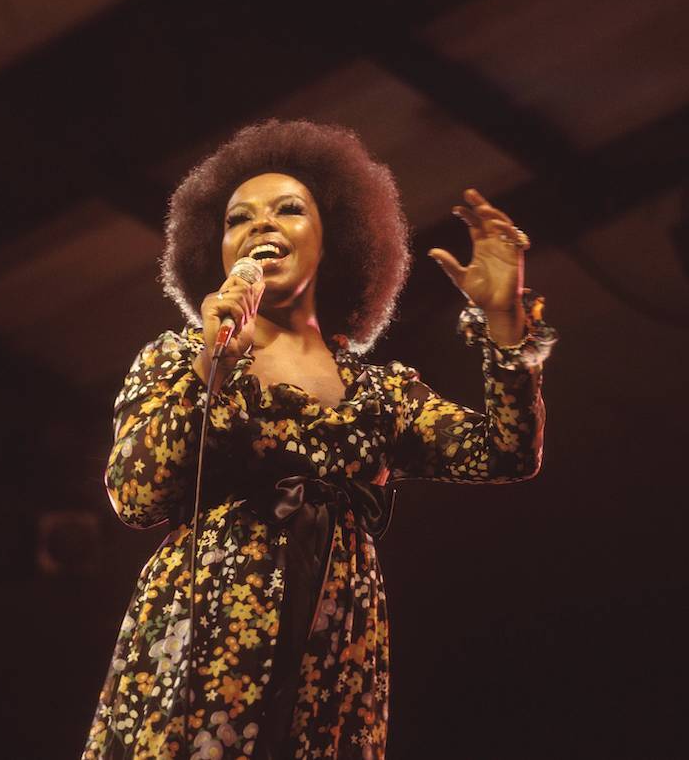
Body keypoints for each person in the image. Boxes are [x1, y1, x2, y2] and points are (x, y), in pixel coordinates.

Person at [82, 120, 556, 760]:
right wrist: (210, 369)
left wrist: (503, 321)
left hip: (335, 648)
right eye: (237, 218)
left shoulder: (379, 392)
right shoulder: (178, 357)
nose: (260, 225)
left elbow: (506, 452)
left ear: (333, 240)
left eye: (288, 209)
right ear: (215, 250)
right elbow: (136, 493)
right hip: (203, 642)